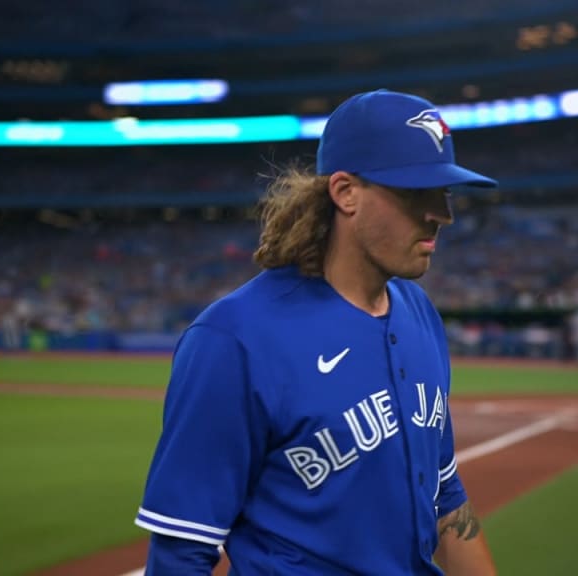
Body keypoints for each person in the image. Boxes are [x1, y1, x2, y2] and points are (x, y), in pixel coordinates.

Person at [134, 89, 499, 575]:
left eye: (445, 194)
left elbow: (447, 496)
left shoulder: (419, 313)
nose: (442, 215)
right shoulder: (234, 339)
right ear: (345, 192)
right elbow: (181, 551)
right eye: (416, 193)